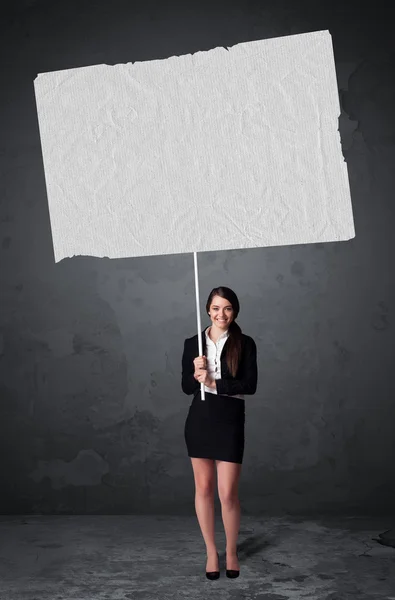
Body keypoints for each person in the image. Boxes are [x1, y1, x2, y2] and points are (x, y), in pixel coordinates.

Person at [181, 286, 258, 580]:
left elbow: (250, 385)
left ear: (234, 311)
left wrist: (214, 383)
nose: (221, 314)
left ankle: (232, 551)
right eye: (215, 308)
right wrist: (195, 372)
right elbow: (186, 387)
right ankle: (212, 552)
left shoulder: (245, 343)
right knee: (203, 489)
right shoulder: (193, 343)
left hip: (229, 419)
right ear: (207, 310)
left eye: (227, 308)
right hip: (199, 419)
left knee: (227, 493)